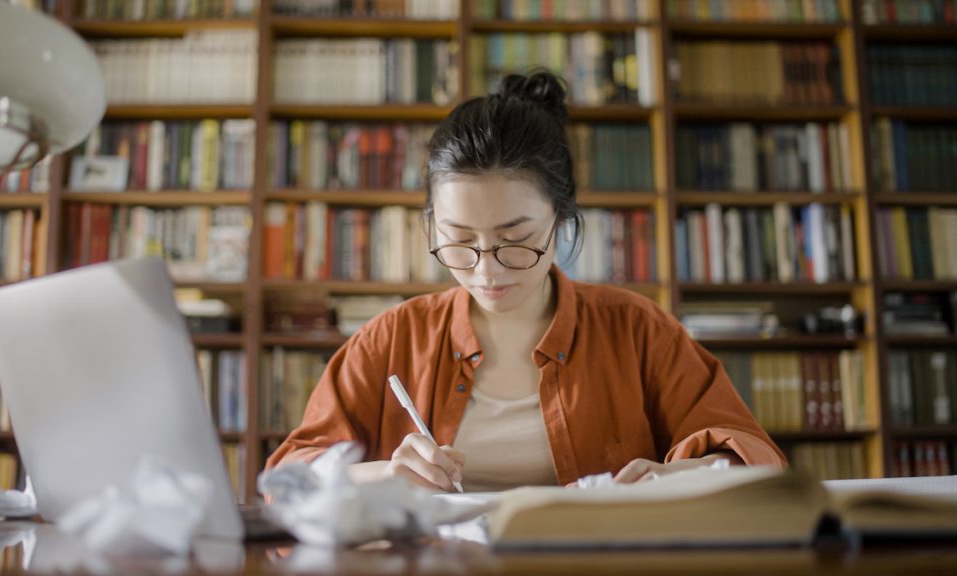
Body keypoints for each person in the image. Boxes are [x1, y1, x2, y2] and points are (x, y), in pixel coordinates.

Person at [266, 71, 786, 492]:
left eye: (515, 240)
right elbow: (285, 479)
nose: (486, 269)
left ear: (560, 222)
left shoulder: (636, 330)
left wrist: (682, 477)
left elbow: (755, 460)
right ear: (429, 225)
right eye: (459, 240)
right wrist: (382, 474)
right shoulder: (392, 339)